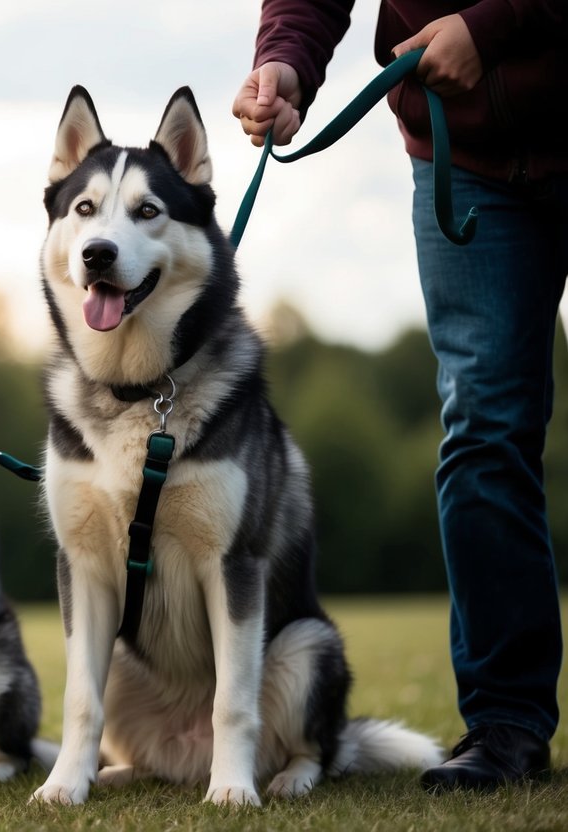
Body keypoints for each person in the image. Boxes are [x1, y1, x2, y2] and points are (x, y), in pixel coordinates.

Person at [232, 0, 566, 793]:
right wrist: (285, 61)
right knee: (482, 428)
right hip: (468, 157)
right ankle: (505, 724)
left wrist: (489, 26)